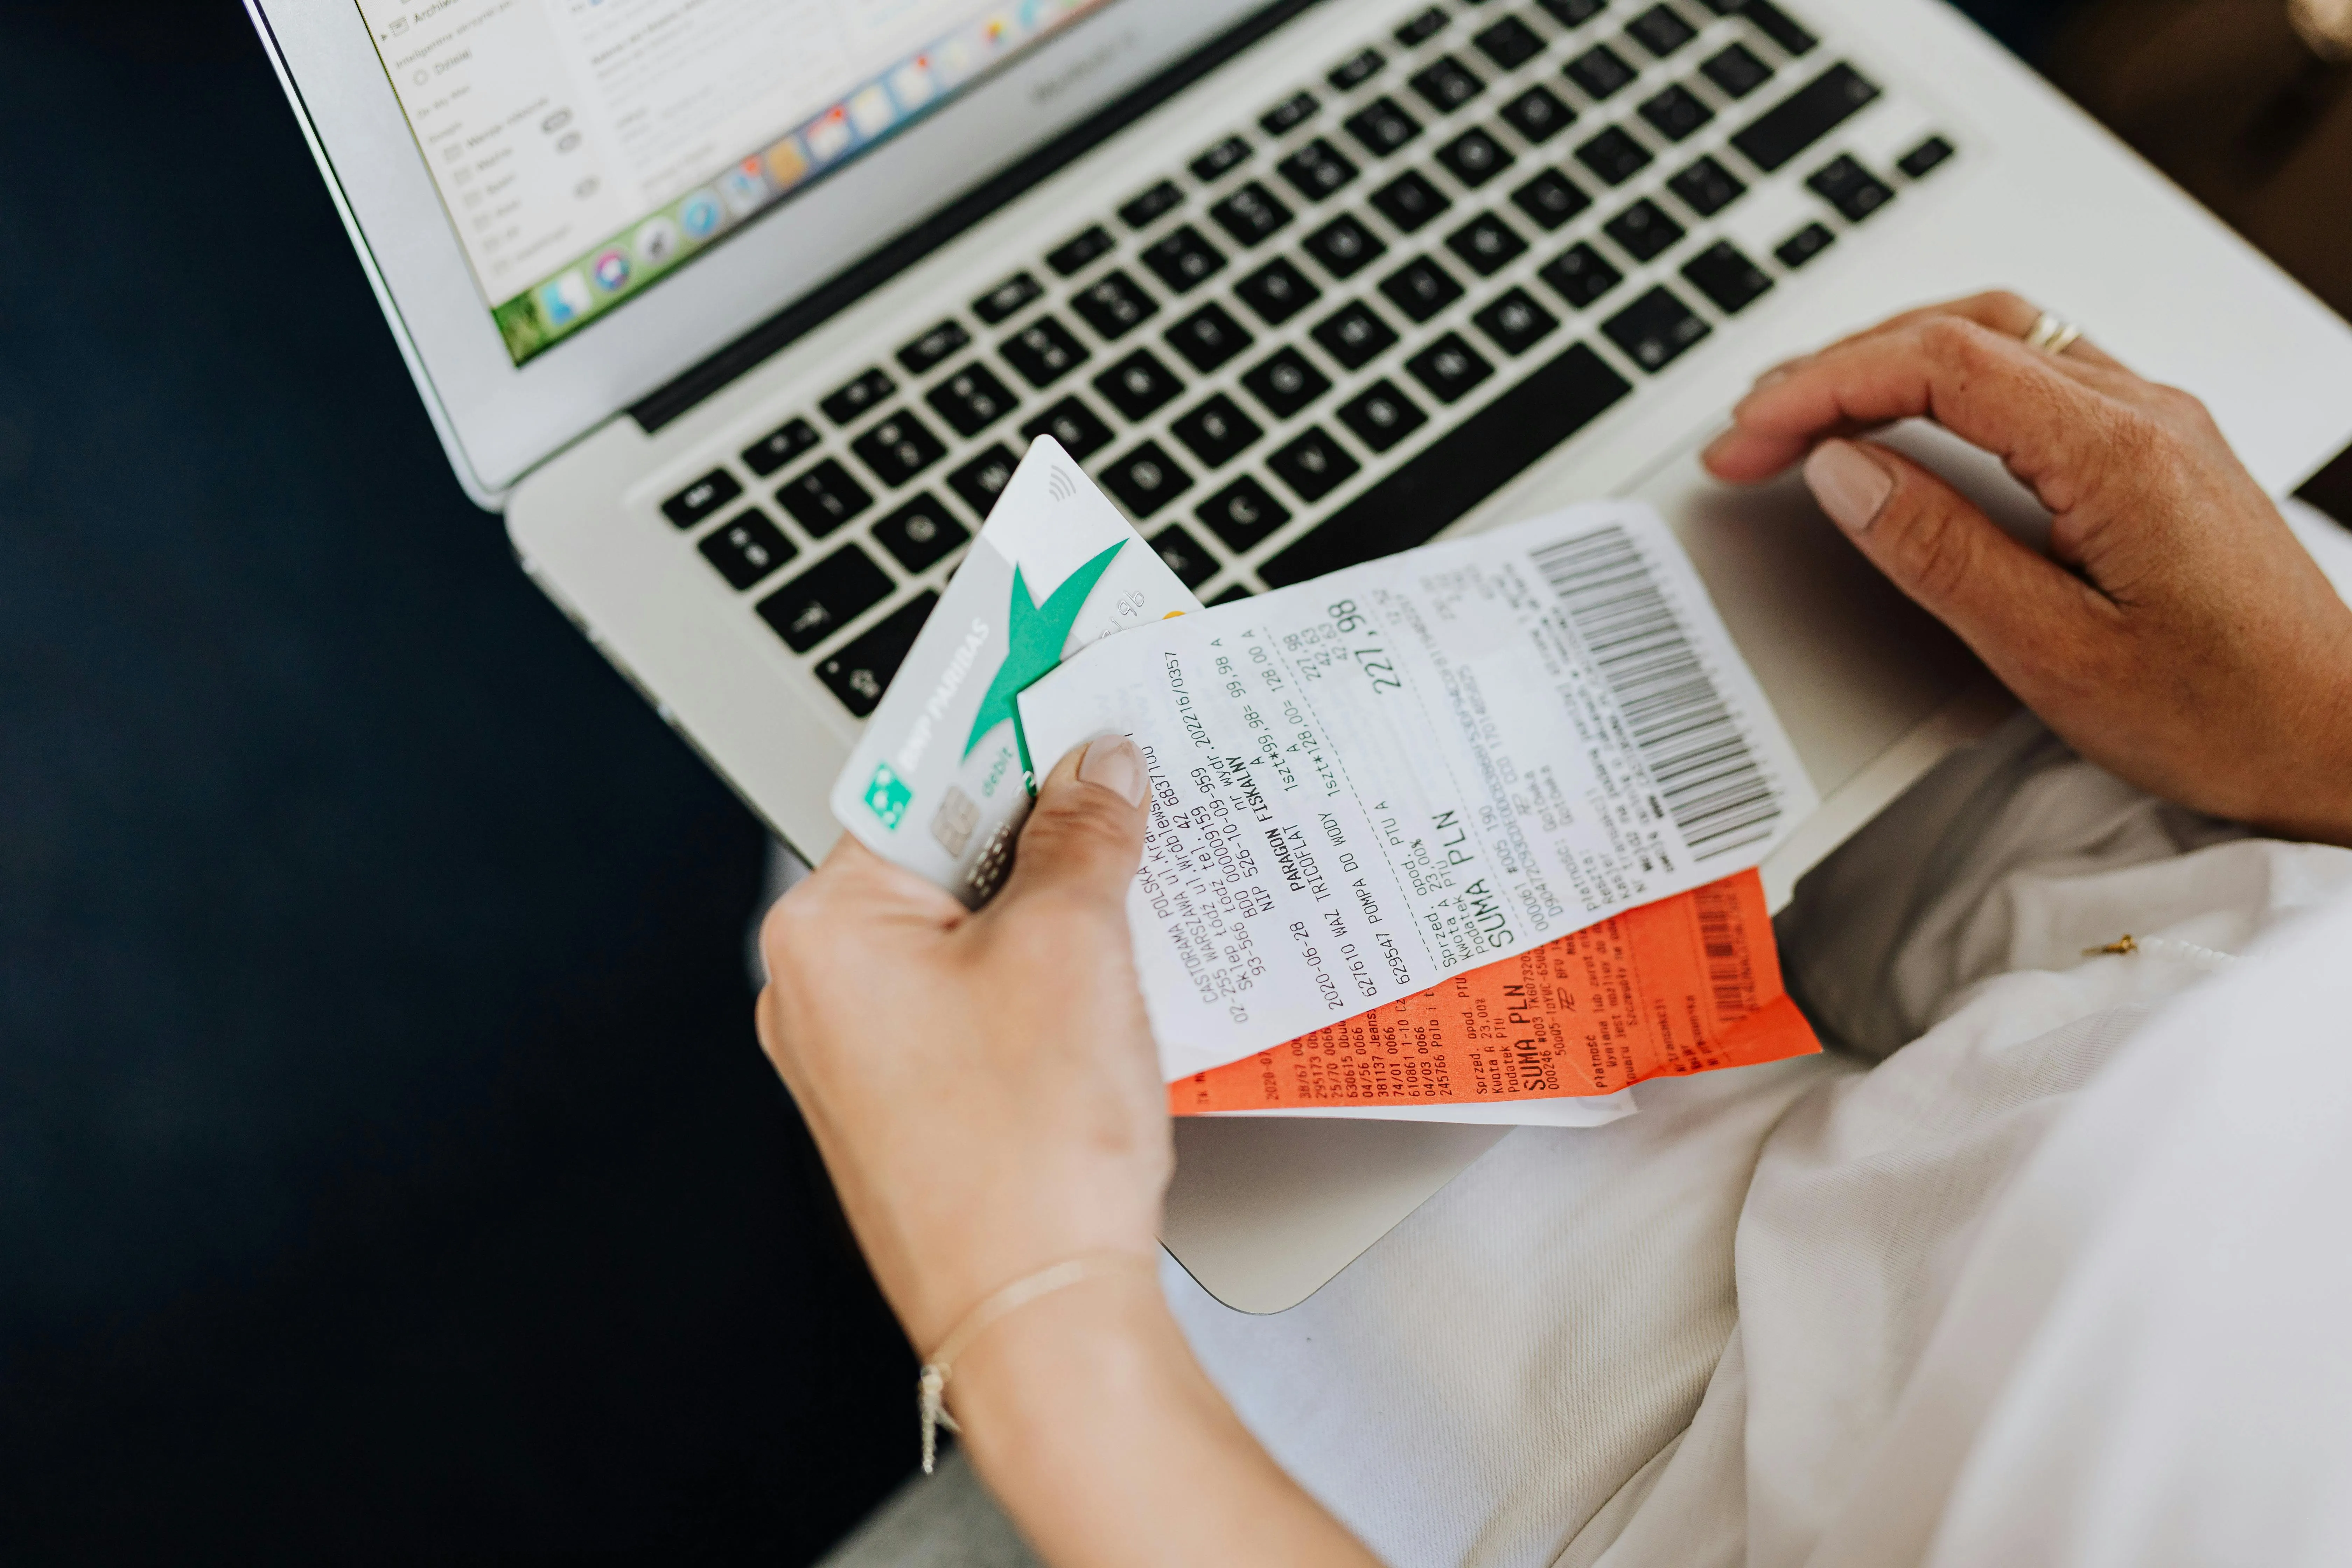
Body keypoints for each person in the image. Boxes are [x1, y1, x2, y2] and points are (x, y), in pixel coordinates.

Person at [760, 293, 2352, 1567]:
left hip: (1741, 1471)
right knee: (1794, 535)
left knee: (842, 857)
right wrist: (2321, 735)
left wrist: (1033, 1310)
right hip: (2281, 919)